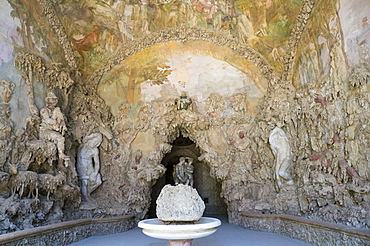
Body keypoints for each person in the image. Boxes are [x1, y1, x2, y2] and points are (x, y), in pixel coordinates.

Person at [39, 92, 69, 164]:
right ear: (48, 101)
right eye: (51, 99)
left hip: (53, 129)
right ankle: (61, 154)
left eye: (54, 100)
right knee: (60, 138)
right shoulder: (44, 110)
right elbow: (47, 120)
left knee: (58, 110)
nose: (53, 101)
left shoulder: (56, 110)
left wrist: (62, 121)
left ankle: (63, 127)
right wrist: (57, 122)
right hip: (45, 131)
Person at [76, 133, 103, 202]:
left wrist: (95, 173)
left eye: (96, 143)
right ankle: (85, 198)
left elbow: (97, 163)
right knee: (84, 182)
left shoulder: (94, 150)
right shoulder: (82, 146)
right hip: (82, 166)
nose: (94, 144)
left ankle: (87, 194)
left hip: (90, 166)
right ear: (90, 140)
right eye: (94, 141)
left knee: (98, 181)